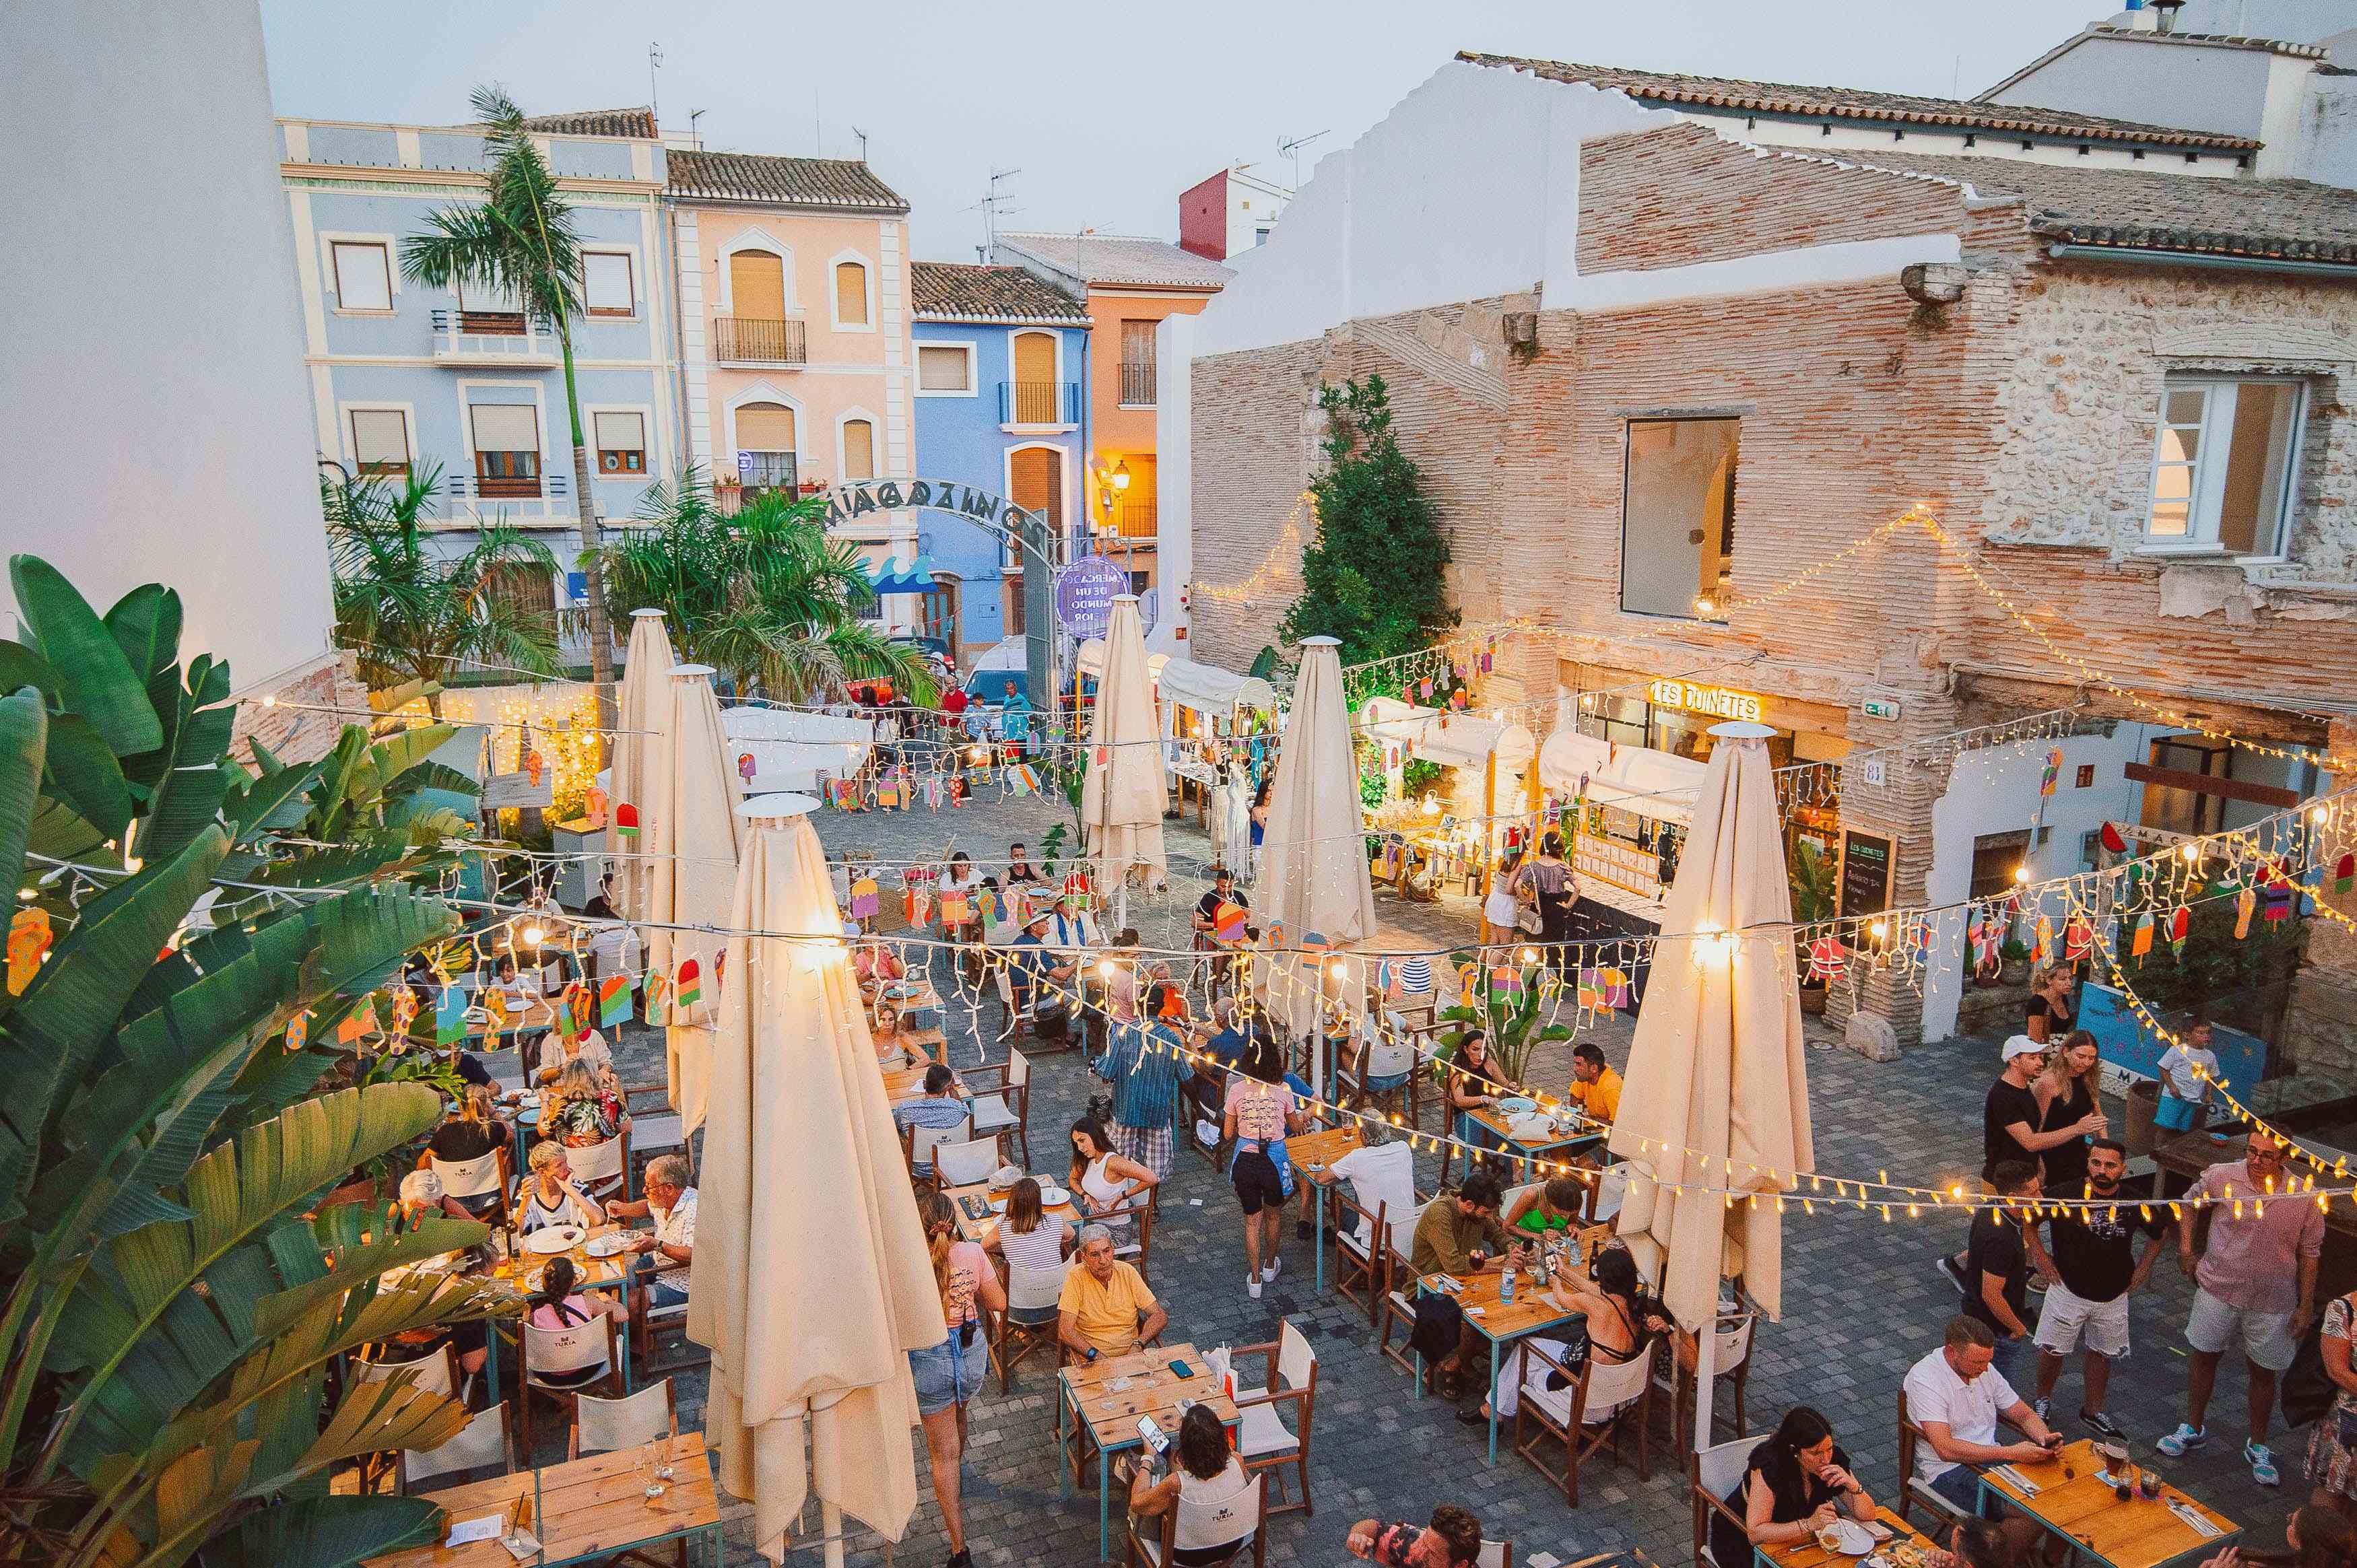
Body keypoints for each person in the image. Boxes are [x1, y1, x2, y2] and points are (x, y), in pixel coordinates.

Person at [2159, 1128, 2324, 1486]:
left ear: (2285, 1158)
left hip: (2273, 1299)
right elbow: (2189, 1205)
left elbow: (2310, 1252)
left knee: (2264, 1373)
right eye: (2252, 1151)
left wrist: (2305, 1304)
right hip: (2218, 1287)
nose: (2256, 1160)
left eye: (2266, 1155)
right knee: (2204, 1355)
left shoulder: (2305, 1195)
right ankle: (2192, 1426)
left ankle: (2258, 1444)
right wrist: (2186, 1250)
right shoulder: (2222, 1175)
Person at [2032, 1138, 2161, 1436]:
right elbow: (2029, 1220)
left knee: (2103, 1354)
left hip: (2113, 1294)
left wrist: (2143, 1269)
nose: (2102, 1170)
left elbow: (2160, 1233)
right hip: (2068, 1290)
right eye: (2096, 1163)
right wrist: (2041, 1260)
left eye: (2110, 1165)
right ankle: (2042, 1400)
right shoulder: (2065, 1195)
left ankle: (2093, 1410)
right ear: (2088, 1163)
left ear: (2123, 1168)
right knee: (2053, 1351)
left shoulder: (2134, 1201)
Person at [1941, 1037, 2082, 1295]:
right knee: (2000, 1234)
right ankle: (1963, 1266)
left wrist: (2038, 1167)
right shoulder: (2003, 1096)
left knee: (2013, 1229)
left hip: (2020, 1177)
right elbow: (2029, 1141)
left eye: (2041, 1057)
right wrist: (2077, 1129)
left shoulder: (2023, 1089)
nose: (2040, 1062)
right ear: (2014, 1061)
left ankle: (1981, 1268)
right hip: (2001, 1180)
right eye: (2033, 1057)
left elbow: (2029, 1137)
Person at [910, 1190, 1003, 1568]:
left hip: (931, 1357)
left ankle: (958, 1549)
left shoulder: (910, 1261)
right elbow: (997, 1302)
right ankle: (957, 1478)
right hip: (968, 1352)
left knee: (942, 1455)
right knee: (960, 1412)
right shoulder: (972, 1253)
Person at [1902, 1315, 2062, 1516]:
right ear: (1952, 1352)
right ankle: (2004, 1545)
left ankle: (2006, 1543)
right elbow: (1946, 1449)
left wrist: (2044, 1437)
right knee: (2031, 1509)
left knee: (2058, 1493)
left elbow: (2024, 1415)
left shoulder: (1983, 1368)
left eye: (1988, 1361)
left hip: (1991, 1458)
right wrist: (2011, 1453)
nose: (1985, 1368)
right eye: (1978, 1362)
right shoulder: (1926, 1380)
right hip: (1948, 1470)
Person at [1709, 1405, 1878, 1568]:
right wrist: (1809, 1524)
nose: (1825, 1459)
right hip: (1740, 1541)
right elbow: (1755, 1534)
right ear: (1794, 1450)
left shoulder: (1833, 1461)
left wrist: (1853, 1485)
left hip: (1799, 1542)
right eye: (1815, 1453)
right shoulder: (1770, 1467)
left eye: (1829, 1449)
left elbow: (1867, 1515)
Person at [1123, 1403, 1257, 1566]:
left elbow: (1137, 1504)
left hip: (1188, 1555)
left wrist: (1148, 1458)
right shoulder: (1237, 1461)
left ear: (1186, 1448)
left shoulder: (1176, 1483)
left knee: (1141, 1508)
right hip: (1232, 1543)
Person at [1224, 1034, 1306, 1298]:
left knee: (1252, 1222)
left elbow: (1227, 1135)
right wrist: (1303, 1116)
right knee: (1273, 1215)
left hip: (1246, 1160)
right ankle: (1271, 1265)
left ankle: (1256, 1280)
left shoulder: (1236, 1091)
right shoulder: (1283, 1090)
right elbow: (1294, 1127)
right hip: (1274, 1160)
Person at [1960, 1161, 2043, 1385]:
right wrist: (2018, 1328)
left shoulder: (1992, 1208)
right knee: (1993, 1391)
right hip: (1993, 1331)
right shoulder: (2001, 1239)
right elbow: (1992, 1294)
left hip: (1977, 1318)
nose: (2041, 1197)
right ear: (2013, 1196)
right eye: (2034, 1192)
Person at [1098, 984, 1189, 1181]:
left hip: (1126, 1110)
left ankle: (1123, 1197)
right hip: (1157, 1111)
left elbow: (1106, 1072)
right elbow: (1186, 1077)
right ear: (1161, 1008)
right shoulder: (1171, 1039)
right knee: (1155, 1169)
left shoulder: (1124, 1034)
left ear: (1139, 1006)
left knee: (1121, 1161)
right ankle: (1151, 1205)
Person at [1057, 1223, 1167, 1360]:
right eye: (1095, 1255)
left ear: (1113, 1250)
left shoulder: (1127, 1272)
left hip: (1131, 1356)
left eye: (1107, 1251)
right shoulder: (1076, 1276)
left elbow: (1158, 1315)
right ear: (1084, 1257)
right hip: (1093, 1358)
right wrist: (1095, 1355)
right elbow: (1065, 1331)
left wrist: (1139, 1343)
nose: (1103, 1260)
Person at [605, 1153, 696, 1309]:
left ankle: (636, 1334)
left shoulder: (694, 1209)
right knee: (612, 1280)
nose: (644, 1189)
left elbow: (692, 1256)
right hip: (659, 1263)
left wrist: (657, 1245)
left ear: (669, 1188)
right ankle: (622, 1330)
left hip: (684, 1283)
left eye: (649, 1186)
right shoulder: (663, 1200)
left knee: (631, 1302)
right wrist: (623, 1209)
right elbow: (647, 1207)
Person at [523, 1255, 628, 1384]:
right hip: (588, 1369)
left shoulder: (535, 1315)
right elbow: (623, 1315)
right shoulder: (587, 1302)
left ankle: (564, 1401)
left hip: (550, 1377)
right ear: (574, 1282)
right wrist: (607, 1299)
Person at [2031, 1031, 2104, 1193]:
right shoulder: (2047, 1083)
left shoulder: (2089, 1077)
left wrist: (2105, 1150)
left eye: (2091, 1058)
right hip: (2051, 1153)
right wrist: (2039, 1166)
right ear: (2065, 1052)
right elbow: (2036, 1129)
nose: (2086, 1063)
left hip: (2078, 1152)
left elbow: (2098, 1115)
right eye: (2081, 1056)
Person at [1070, 1116, 1159, 1231]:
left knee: (1066, 1239)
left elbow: (1152, 1178)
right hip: (1092, 1219)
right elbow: (1073, 1180)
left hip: (1114, 1228)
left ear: (1095, 1136)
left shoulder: (1113, 1162)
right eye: (1076, 1143)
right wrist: (1084, 1194)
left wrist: (1123, 1195)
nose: (1080, 1148)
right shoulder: (1086, 1158)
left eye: (1082, 1140)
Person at [896, 1064, 974, 1180]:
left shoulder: (906, 1109)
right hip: (952, 1165)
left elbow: (895, 1124)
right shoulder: (959, 1109)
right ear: (947, 1088)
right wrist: (953, 1090)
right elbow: (964, 1110)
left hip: (919, 1168)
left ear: (924, 1084)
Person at [1006, 909, 1077, 1035]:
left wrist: (1052, 956)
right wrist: (1079, 961)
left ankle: (1062, 1025)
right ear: (1034, 927)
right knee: (1077, 995)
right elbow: (1062, 975)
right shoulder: (1036, 948)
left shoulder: (1022, 940)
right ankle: (1073, 1033)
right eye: (1044, 922)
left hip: (1022, 994)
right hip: (1031, 1000)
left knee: (1070, 983)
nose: (1047, 923)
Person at [1346, 1505, 1486, 1567]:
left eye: (1432, 1553)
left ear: (1461, 1566)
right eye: (1424, 1542)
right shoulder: (1413, 1547)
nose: (1420, 1552)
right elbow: (1375, 1528)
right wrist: (1359, 1536)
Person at [1515, 834, 1577, 963]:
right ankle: (1552, 976)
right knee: (1554, 947)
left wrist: (1525, 899)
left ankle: (1532, 978)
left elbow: (1517, 885)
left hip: (1538, 908)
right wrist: (1569, 905)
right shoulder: (1562, 867)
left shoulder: (1533, 866)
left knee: (1534, 944)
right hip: (1557, 910)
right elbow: (1578, 888)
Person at [517, 1140, 601, 1235]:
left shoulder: (576, 1188)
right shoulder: (528, 1195)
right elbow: (515, 1233)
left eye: (565, 1161)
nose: (566, 1167)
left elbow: (598, 1220)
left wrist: (571, 1191)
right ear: (542, 1172)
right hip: (543, 1247)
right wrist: (525, 1202)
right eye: (559, 1165)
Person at [993, 1176, 1073, 1274]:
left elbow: (984, 1246)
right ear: (1039, 1202)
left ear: (1012, 1202)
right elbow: (1071, 1235)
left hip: (1019, 1288)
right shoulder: (1056, 1220)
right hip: (1057, 1285)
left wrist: (1006, 1247)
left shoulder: (1003, 1228)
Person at [543, 1057, 626, 1148]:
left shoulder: (560, 1104)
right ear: (593, 1077)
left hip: (570, 1161)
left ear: (568, 1080)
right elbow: (627, 1128)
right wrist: (619, 1093)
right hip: (607, 1159)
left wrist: (544, 1101)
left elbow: (542, 1132)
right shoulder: (610, 1099)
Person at [2158, 1021, 2222, 1133]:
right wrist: (2172, 1087)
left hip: (2193, 1099)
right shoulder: (2177, 1050)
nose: (2206, 1036)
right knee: (2165, 1129)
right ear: (2187, 1035)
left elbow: (2211, 1077)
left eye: (2207, 1033)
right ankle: (2157, 1149)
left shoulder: (2210, 1056)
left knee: (2182, 1131)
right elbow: (2164, 1068)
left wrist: (2208, 1094)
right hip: (2173, 1097)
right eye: (2200, 1033)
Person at [1507, 1175, 1588, 1237]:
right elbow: (1508, 1226)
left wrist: (1572, 1227)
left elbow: (1572, 1223)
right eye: (1562, 1214)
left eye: (1571, 1214)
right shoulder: (1531, 1196)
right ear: (1551, 1201)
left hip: (1558, 1245)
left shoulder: (1574, 1202)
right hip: (1527, 1244)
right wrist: (1540, 1237)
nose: (1566, 1217)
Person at [873, 999, 942, 1070]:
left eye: (891, 1020)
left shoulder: (901, 1037)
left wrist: (908, 1070)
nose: (887, 1024)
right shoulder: (869, 1040)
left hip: (901, 1079)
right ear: (876, 1021)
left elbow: (925, 1058)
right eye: (883, 1020)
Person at [1566, 1042, 1623, 1129]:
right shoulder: (1585, 1077)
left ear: (1594, 1068)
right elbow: (1575, 1095)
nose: (1574, 1069)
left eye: (1579, 1064)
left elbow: (1617, 1124)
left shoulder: (1610, 1089)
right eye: (1575, 1063)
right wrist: (1578, 1114)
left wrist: (1589, 1119)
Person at [1482, 848, 1525, 947]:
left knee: (1494, 939)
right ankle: (1492, 962)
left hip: (1495, 899)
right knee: (1505, 946)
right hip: (1505, 905)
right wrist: (1521, 896)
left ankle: (1487, 961)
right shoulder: (1517, 865)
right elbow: (1509, 889)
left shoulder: (1504, 860)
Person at [2024, 965, 2077, 1044]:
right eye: (2062, 979)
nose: (2069, 983)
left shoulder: (2063, 997)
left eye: (2070, 978)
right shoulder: (2037, 1004)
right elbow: (2035, 1042)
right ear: (2049, 980)